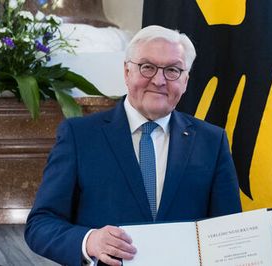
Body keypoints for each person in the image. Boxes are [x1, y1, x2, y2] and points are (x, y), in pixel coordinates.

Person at [24, 25, 242, 266]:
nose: (159, 80)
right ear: (127, 71)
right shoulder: (79, 136)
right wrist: (89, 241)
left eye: (172, 70)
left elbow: (229, 231)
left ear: (186, 80)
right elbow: (40, 224)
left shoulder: (212, 141)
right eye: (147, 67)